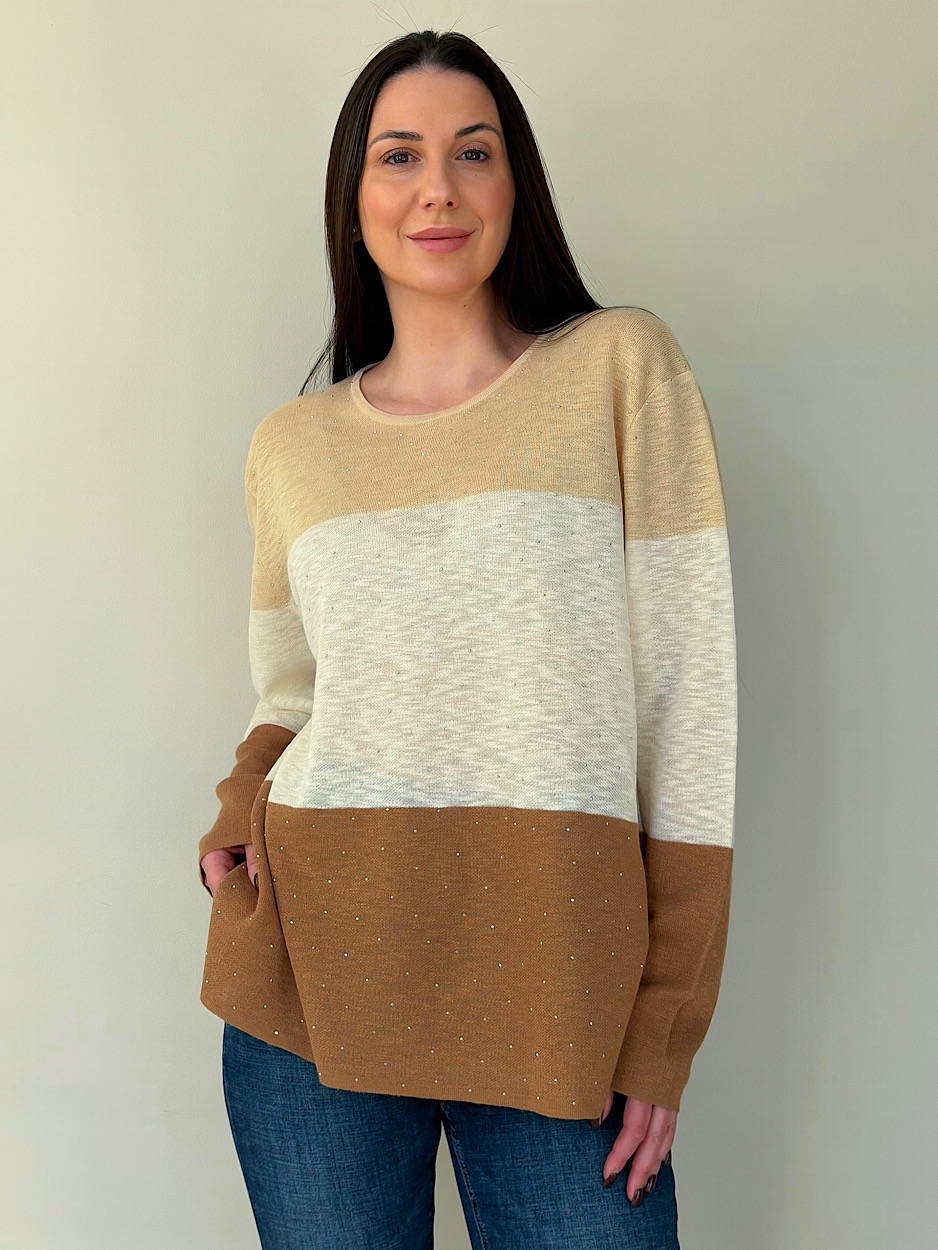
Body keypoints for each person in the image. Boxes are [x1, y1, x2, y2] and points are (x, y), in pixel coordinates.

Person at [198, 28, 737, 1250]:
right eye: (398, 155)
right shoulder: (291, 445)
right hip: (312, 978)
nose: (436, 187)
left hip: (560, 985)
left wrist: (662, 1023)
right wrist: (237, 809)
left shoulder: (619, 369)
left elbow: (687, 707)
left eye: (472, 152)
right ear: (352, 200)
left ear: (514, 184)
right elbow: (291, 692)